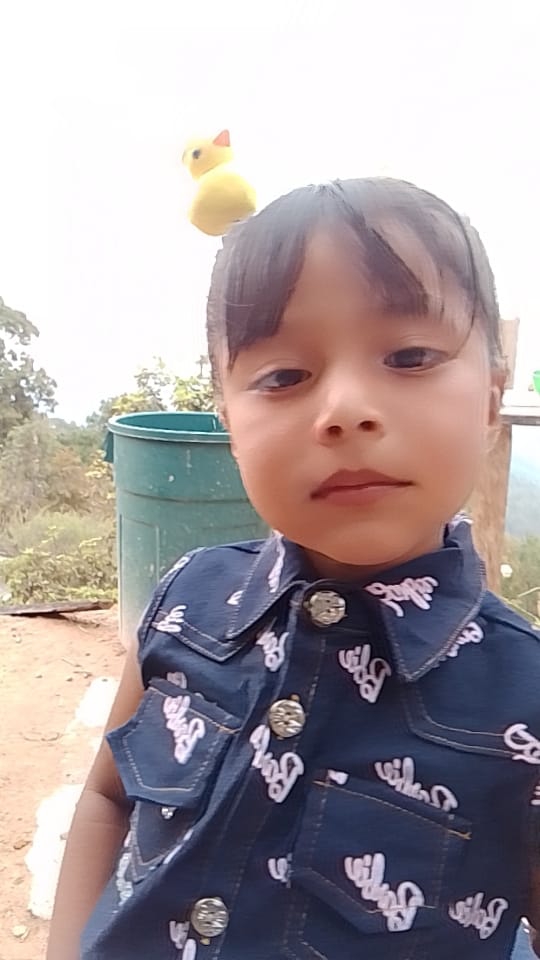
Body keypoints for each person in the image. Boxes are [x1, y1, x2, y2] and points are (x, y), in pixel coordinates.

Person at [47, 178, 540, 960]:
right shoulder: (186, 599)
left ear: (490, 398)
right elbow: (108, 798)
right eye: (282, 377)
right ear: (230, 424)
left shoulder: (524, 697)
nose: (344, 408)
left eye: (410, 356)